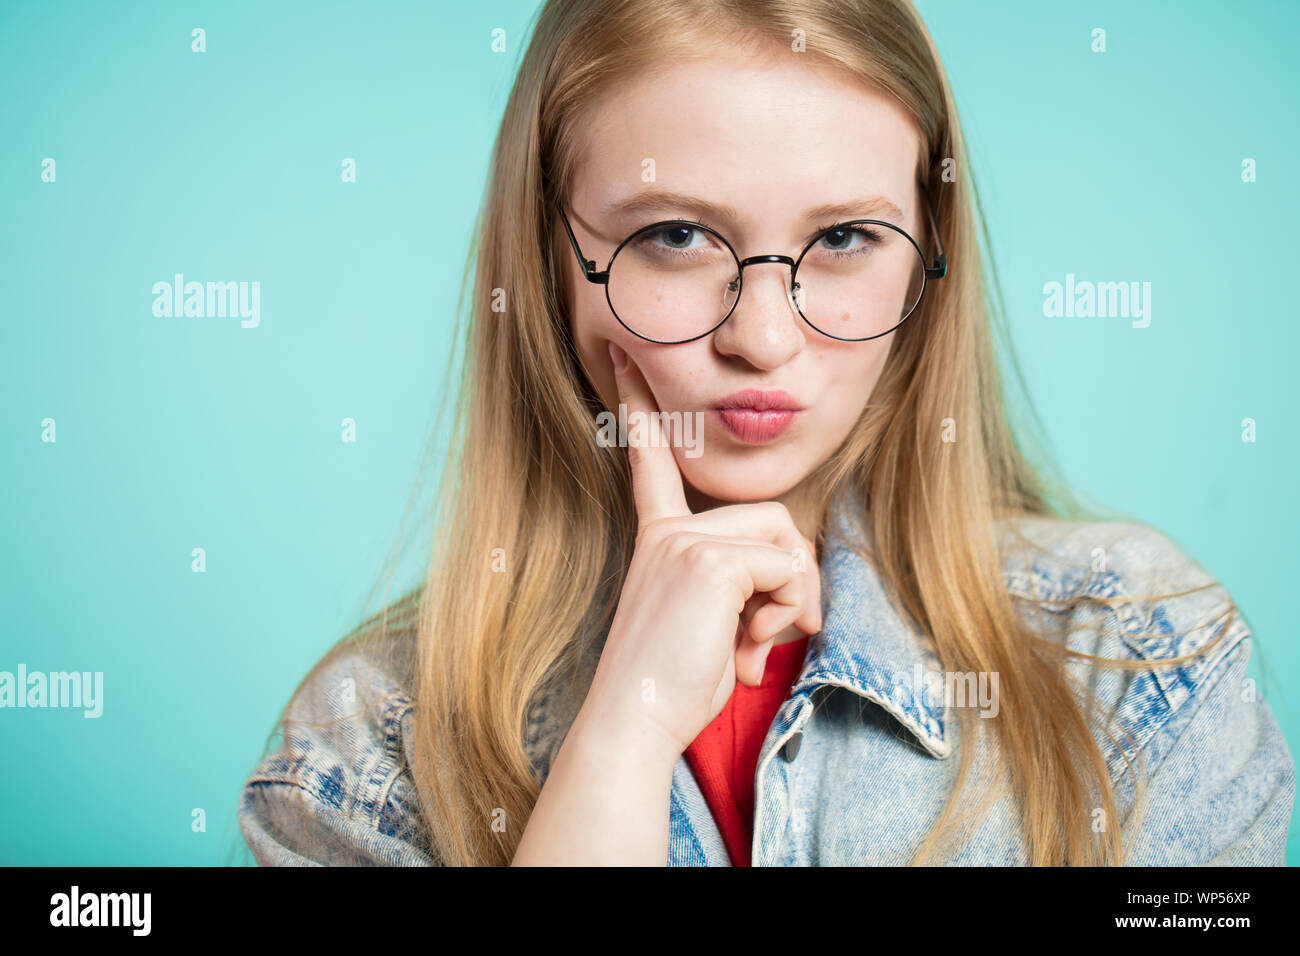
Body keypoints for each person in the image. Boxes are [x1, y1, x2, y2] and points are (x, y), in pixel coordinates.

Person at [237, 0, 1294, 866]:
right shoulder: (365, 752)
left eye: (843, 238)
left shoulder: (1136, 663)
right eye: (676, 236)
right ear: (548, 255)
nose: (761, 337)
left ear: (930, 255)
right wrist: (621, 734)